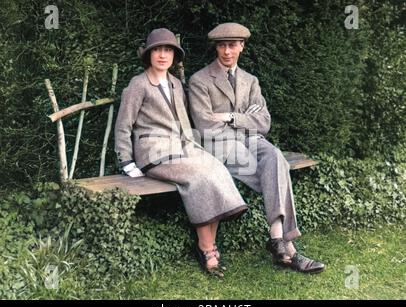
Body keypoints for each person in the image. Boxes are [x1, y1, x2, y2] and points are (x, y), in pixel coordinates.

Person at [188, 23, 325, 273]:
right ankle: (288, 248)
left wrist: (229, 117)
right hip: (221, 148)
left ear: (242, 46)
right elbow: (206, 126)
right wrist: (243, 121)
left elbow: (264, 122)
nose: (227, 51)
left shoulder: (251, 81)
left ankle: (276, 238)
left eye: (232, 45)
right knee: (276, 171)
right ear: (216, 48)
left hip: (252, 143)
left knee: (275, 157)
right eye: (222, 45)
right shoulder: (199, 80)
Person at [114, 28, 247, 277]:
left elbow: (184, 121)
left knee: (216, 168)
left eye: (168, 50)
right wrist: (126, 161)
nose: (163, 55)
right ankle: (207, 248)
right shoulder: (138, 84)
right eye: (157, 50)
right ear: (149, 55)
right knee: (198, 176)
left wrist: (195, 147)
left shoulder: (175, 84)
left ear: (174, 56)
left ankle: (209, 243)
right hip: (154, 152)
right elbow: (124, 125)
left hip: (182, 147)